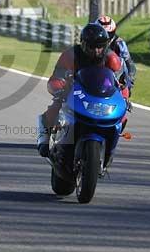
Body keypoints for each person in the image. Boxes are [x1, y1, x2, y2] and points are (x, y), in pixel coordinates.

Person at [36, 23, 125, 158]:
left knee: (122, 116)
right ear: (83, 44)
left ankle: (110, 146)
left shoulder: (112, 59)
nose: (96, 51)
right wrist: (59, 89)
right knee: (53, 110)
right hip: (74, 91)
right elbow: (56, 77)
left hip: (101, 96)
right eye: (92, 46)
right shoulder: (70, 55)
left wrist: (124, 98)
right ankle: (44, 138)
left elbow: (122, 84)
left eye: (100, 47)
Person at [96, 15, 136, 93]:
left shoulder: (119, 43)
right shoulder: (92, 42)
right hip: (94, 73)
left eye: (108, 34)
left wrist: (129, 80)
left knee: (125, 92)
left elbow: (129, 63)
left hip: (114, 77)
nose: (106, 38)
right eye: (103, 34)